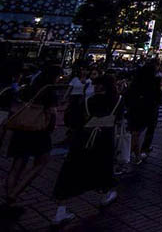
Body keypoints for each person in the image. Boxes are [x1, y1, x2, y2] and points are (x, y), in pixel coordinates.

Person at [52, 74, 121, 224]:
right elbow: (120, 118)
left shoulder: (88, 102)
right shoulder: (118, 101)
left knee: (71, 172)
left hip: (83, 140)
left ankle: (61, 209)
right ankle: (105, 193)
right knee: (103, 168)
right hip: (105, 141)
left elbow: (72, 120)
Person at [3, 65, 60, 217]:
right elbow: (52, 114)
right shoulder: (50, 91)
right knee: (41, 162)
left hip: (21, 129)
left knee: (17, 164)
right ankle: (14, 193)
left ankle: (9, 200)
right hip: (38, 131)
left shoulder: (28, 88)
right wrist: (52, 126)